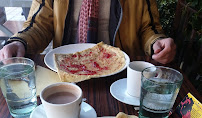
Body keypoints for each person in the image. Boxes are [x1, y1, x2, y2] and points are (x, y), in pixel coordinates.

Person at [0, 0, 176, 64]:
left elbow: (148, 28)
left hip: (119, 73)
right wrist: (19, 41)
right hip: (67, 70)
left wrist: (156, 43)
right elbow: (39, 24)